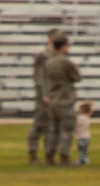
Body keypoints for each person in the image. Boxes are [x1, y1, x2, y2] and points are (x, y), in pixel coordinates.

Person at [41, 35, 81, 166]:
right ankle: (64, 156)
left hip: (52, 100)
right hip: (65, 99)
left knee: (53, 129)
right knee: (67, 130)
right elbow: (77, 77)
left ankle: (49, 155)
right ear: (63, 47)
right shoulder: (66, 62)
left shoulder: (48, 62)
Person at [28, 28, 62, 164]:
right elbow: (39, 77)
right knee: (40, 124)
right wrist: (44, 94)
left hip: (56, 95)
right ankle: (33, 152)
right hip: (44, 95)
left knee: (53, 126)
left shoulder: (59, 56)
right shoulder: (42, 56)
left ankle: (50, 154)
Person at [75, 100, 93, 166]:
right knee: (85, 149)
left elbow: (76, 125)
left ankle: (82, 160)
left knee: (81, 149)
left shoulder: (80, 118)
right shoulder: (87, 118)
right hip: (87, 136)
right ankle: (86, 158)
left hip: (81, 137)